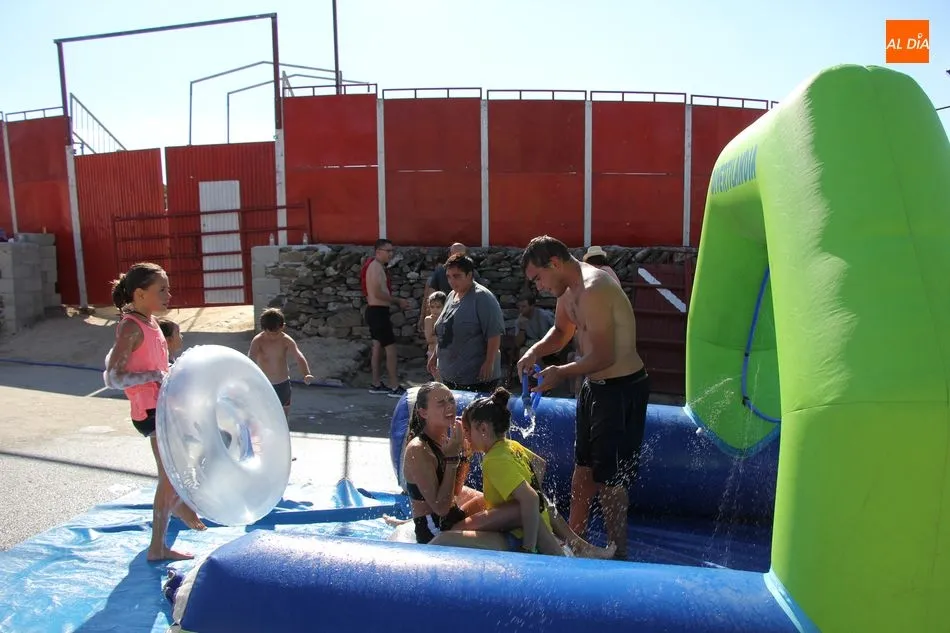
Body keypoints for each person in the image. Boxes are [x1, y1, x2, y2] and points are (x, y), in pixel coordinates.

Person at [517, 235, 650, 560]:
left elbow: (605, 356)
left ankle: (619, 554)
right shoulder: (567, 291)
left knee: (610, 480)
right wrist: (535, 351)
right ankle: (576, 543)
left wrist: (560, 373)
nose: (538, 287)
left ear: (555, 264)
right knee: (582, 472)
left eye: (538, 278)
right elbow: (561, 332)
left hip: (621, 389)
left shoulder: (595, 288)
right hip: (595, 388)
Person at [400, 383, 615, 558]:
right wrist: (453, 460)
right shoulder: (419, 449)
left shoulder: (452, 439)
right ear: (423, 412)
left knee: (532, 502)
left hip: (451, 516)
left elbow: (455, 490)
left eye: (450, 399)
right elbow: (440, 507)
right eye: (441, 403)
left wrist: (463, 456)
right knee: (527, 504)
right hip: (434, 528)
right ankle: (553, 553)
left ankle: (576, 544)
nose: (449, 406)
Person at [103, 262, 207, 561]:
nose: (168, 295)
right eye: (161, 290)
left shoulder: (150, 323)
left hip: (161, 408)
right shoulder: (130, 326)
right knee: (170, 477)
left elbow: (156, 366)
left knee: (173, 472)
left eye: (168, 289)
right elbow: (113, 378)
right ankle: (159, 545)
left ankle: (175, 516)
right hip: (149, 412)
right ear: (139, 294)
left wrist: (174, 372)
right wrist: (155, 375)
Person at [426, 253, 505, 393]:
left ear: (469, 275)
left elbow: (494, 333)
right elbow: (446, 331)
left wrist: (489, 362)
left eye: (457, 276)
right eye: (449, 276)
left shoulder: (482, 297)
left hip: (476, 380)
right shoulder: (451, 295)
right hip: (450, 376)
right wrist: (434, 356)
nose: (451, 281)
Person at [362, 239, 409, 397]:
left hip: (376, 311)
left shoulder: (376, 266)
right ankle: (394, 386)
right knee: (390, 348)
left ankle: (376, 383)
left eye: (391, 251)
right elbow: (377, 293)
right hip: (378, 311)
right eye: (388, 251)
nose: (391, 254)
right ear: (378, 252)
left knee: (377, 347)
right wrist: (398, 300)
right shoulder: (375, 267)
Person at [248, 308, 314, 420]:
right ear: (263, 328)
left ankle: (283, 429)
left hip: (282, 383)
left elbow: (298, 356)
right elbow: (251, 358)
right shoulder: (258, 340)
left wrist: (306, 374)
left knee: (283, 416)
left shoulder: (286, 340)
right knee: (263, 414)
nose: (273, 336)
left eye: (276, 333)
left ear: (283, 326)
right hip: (264, 383)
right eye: (269, 333)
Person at [418, 243, 485, 332]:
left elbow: (479, 298)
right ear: (449, 255)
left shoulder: (472, 274)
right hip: (444, 317)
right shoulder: (440, 272)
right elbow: (430, 298)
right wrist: (426, 320)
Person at [423, 291, 446, 380]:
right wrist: (445, 338)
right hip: (433, 353)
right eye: (432, 307)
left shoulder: (446, 319)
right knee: (438, 379)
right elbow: (429, 339)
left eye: (438, 307)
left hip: (446, 354)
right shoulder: (429, 320)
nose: (435, 310)